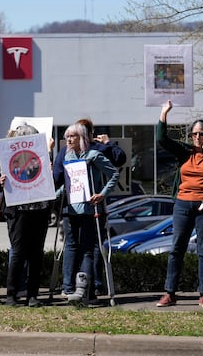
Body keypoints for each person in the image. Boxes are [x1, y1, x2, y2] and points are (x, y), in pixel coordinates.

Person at [156, 100, 203, 309]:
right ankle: (169, 293)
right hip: (182, 205)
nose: (197, 137)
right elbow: (162, 139)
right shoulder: (185, 152)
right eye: (194, 134)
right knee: (177, 248)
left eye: (202, 133)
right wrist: (164, 112)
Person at [53, 118, 126, 297]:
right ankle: (68, 286)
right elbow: (68, 183)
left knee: (87, 248)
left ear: (82, 138)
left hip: (90, 210)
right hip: (71, 210)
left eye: (73, 136)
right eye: (67, 137)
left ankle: (83, 289)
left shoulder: (94, 156)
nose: (69, 140)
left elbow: (114, 174)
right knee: (70, 246)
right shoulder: (67, 156)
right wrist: (53, 196)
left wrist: (102, 193)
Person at [0, 124, 50, 307]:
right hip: (18, 212)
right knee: (18, 253)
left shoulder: (41, 156)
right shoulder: (5, 156)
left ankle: (32, 295)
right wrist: (1, 182)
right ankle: (12, 295)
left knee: (36, 255)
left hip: (39, 210)